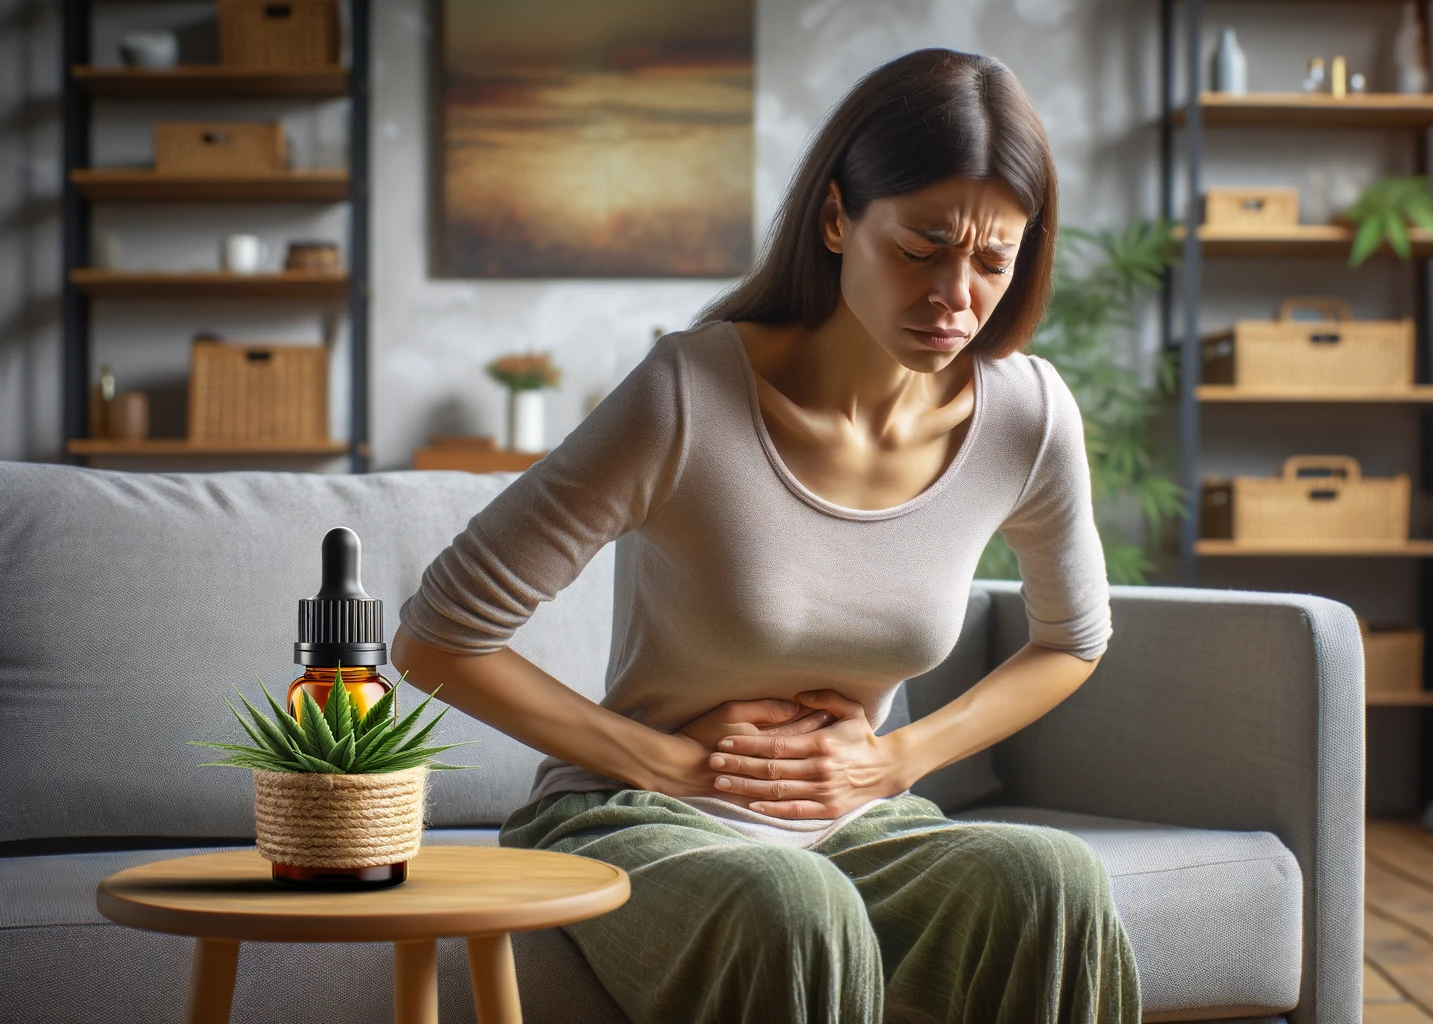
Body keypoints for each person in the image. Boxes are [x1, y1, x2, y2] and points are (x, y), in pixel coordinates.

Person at [393, 47, 1140, 1024]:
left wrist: (896, 759)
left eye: (992, 261)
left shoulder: (1024, 416)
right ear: (837, 218)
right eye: (920, 248)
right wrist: (663, 759)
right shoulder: (687, 396)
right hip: (635, 817)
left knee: (1051, 877)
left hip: (858, 819)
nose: (956, 297)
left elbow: (1073, 638)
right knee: (796, 907)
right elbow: (434, 639)